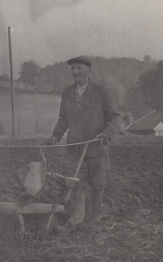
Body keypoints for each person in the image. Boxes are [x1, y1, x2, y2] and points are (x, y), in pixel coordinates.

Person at [47, 56, 121, 230]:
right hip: (75, 149)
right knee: (76, 184)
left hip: (96, 147)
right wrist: (55, 137)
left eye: (79, 68)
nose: (75, 72)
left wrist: (106, 134)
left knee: (97, 185)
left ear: (89, 71)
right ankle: (76, 220)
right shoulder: (67, 93)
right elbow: (63, 120)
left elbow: (116, 117)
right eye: (72, 69)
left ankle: (96, 218)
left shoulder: (101, 92)